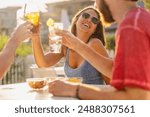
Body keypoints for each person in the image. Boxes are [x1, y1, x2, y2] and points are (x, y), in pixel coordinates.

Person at [48, 0, 150, 100]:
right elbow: (115, 70)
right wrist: (77, 45)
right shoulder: (140, 17)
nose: (95, 4)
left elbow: (137, 98)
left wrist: (74, 90)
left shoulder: (132, 26)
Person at [31, 6, 110, 85]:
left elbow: (110, 81)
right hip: (72, 95)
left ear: (94, 29)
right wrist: (35, 36)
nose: (89, 20)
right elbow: (43, 63)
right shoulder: (66, 45)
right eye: (86, 15)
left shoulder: (95, 44)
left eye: (94, 20)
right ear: (76, 20)